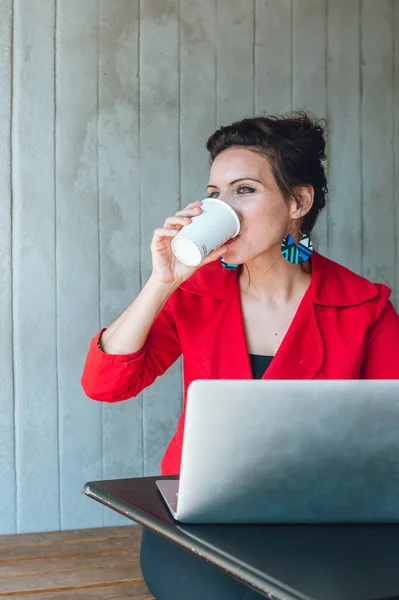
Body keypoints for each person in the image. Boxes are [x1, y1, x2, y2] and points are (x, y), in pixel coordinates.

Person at [81, 112, 399, 599]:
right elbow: (106, 385)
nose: (221, 207)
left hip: (323, 521)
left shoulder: (364, 305)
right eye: (214, 194)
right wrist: (162, 282)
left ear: (298, 201)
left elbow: (388, 443)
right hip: (200, 521)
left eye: (243, 190)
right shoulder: (196, 293)